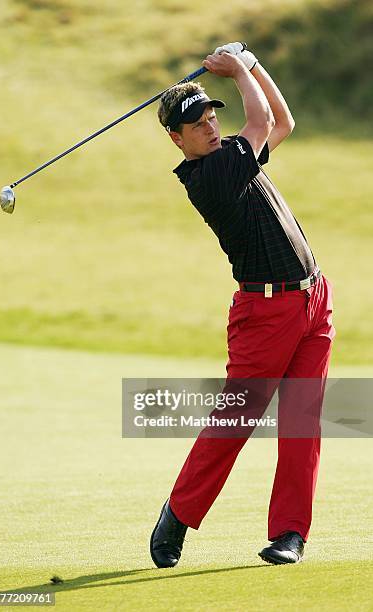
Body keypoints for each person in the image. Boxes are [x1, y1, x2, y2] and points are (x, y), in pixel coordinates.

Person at [150, 42, 335, 566]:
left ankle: (290, 535)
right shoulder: (208, 176)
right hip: (264, 315)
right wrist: (237, 70)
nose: (209, 126)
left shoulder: (233, 153)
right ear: (175, 138)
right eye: (196, 122)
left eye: (211, 116)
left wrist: (252, 65)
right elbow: (258, 119)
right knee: (235, 422)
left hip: (313, 300)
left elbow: (283, 123)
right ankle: (179, 514)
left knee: (303, 423)